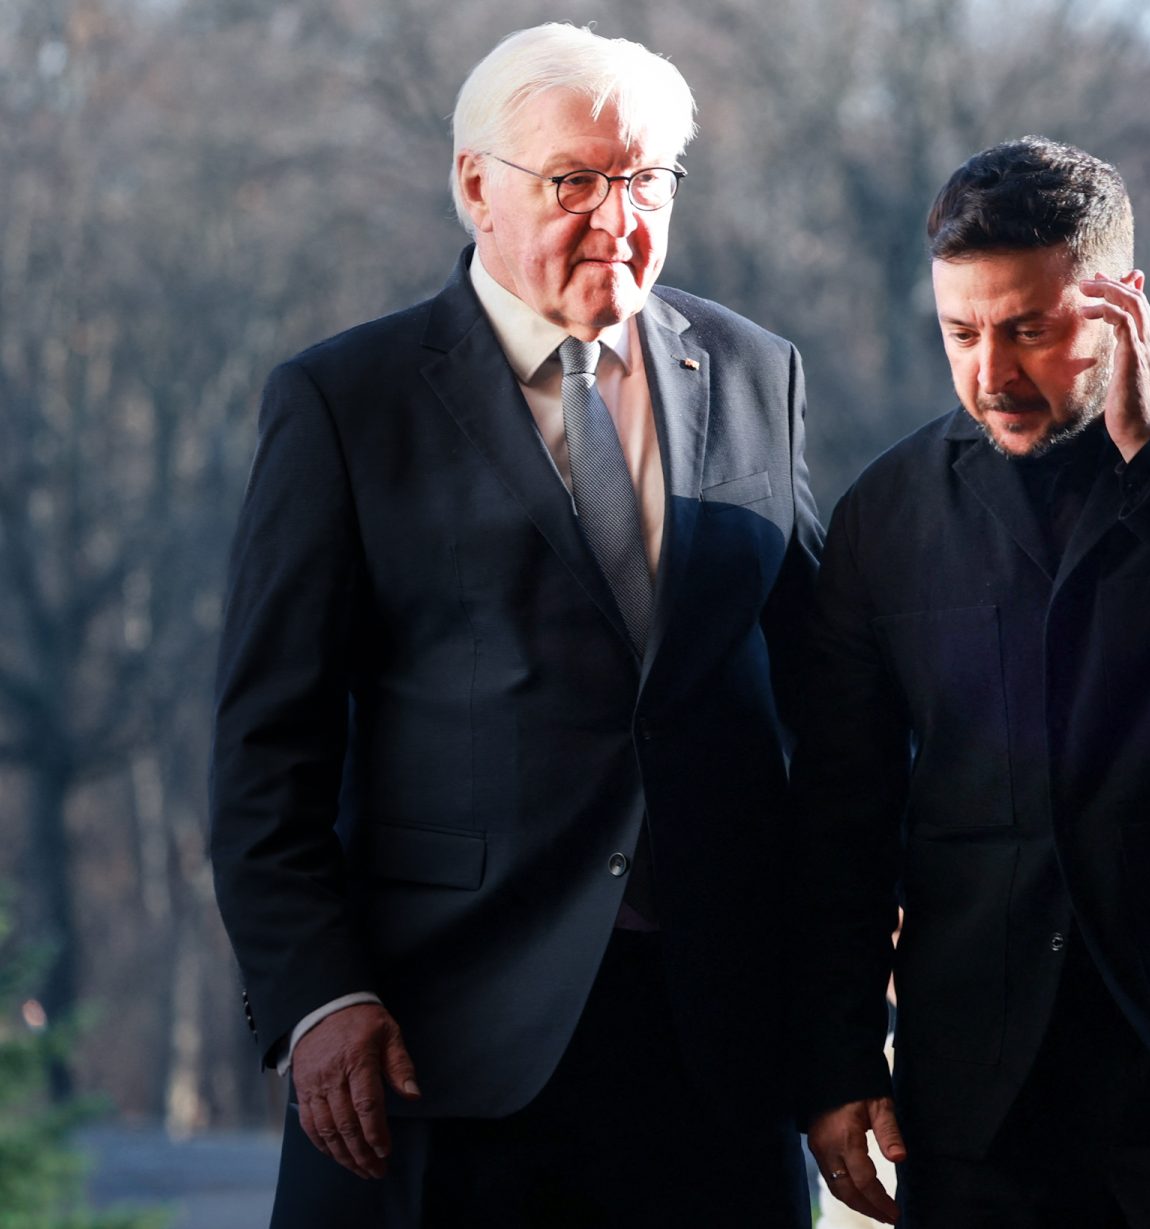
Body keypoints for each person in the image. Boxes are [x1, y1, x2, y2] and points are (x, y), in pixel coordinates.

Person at [208, 22, 820, 1228]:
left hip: (713, 1043)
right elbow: (266, 745)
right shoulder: (347, 400)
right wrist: (317, 992)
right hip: (439, 1039)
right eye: (575, 182)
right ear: (476, 185)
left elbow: (823, 689)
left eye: (647, 181)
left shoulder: (756, 371)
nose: (618, 219)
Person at [790, 136, 1150, 1228]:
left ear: (1123, 306)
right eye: (961, 333)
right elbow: (841, 812)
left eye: (1029, 330)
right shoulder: (883, 514)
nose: (992, 374)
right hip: (980, 1102)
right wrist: (837, 1059)